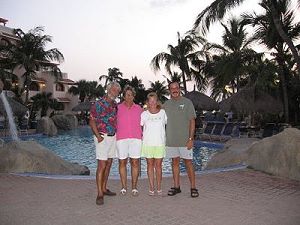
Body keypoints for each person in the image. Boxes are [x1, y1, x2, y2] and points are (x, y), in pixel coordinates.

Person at [163, 81, 199, 198]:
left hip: (185, 141)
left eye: (176, 88)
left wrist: (190, 138)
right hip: (171, 140)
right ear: (169, 90)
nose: (174, 90)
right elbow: (155, 113)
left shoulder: (187, 103)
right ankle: (177, 186)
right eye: (172, 88)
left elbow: (192, 121)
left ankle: (193, 187)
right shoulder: (166, 104)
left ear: (180, 89)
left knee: (188, 163)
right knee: (175, 163)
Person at [89, 81, 121, 205]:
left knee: (108, 164)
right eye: (113, 90)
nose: (115, 93)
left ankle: (104, 188)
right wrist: (98, 136)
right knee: (102, 165)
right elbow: (91, 121)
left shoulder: (115, 105)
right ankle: (99, 194)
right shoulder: (98, 104)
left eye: (117, 91)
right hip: (102, 137)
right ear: (108, 90)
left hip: (113, 137)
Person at [116, 85, 143, 196]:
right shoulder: (117, 108)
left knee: (135, 162)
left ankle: (134, 187)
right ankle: (124, 187)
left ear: (134, 96)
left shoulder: (139, 109)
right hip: (121, 138)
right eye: (127, 95)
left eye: (131, 95)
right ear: (124, 96)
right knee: (122, 162)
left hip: (136, 139)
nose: (129, 97)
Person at [141, 92, 167, 196]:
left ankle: (159, 187)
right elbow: (141, 127)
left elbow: (165, 125)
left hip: (160, 144)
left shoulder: (163, 113)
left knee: (159, 166)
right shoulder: (144, 114)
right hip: (148, 144)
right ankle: (151, 187)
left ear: (157, 101)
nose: (152, 103)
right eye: (150, 101)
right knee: (150, 166)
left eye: (154, 100)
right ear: (147, 102)